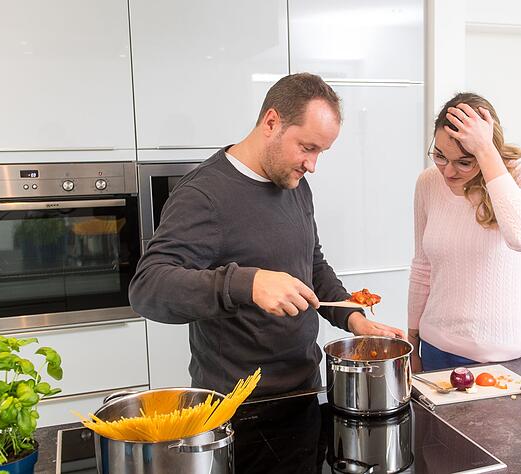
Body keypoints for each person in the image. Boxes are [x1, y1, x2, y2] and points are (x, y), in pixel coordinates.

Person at [129, 72, 404, 398]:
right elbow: (147, 288)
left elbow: (312, 265)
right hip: (237, 405)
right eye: (307, 147)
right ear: (272, 122)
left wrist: (352, 317)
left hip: (303, 390)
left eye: (321, 152)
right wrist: (250, 283)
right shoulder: (203, 194)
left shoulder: (295, 185)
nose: (312, 164)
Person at [407, 92, 521, 372]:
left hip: (500, 359)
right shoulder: (428, 182)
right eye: (440, 156)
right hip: (435, 347)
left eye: (464, 162)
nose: (448, 172)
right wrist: (412, 342)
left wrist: (485, 152)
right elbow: (422, 267)